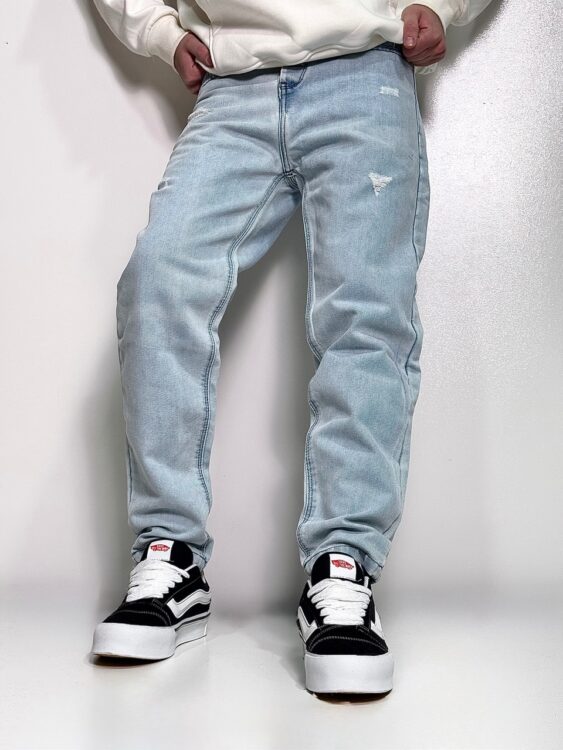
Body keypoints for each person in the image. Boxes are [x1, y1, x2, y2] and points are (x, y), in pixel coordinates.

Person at [90, 0, 493, 695]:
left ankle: (343, 568)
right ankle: (170, 553)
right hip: (233, 84)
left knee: (365, 318)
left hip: (366, 69)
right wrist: (158, 31)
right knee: (159, 281)